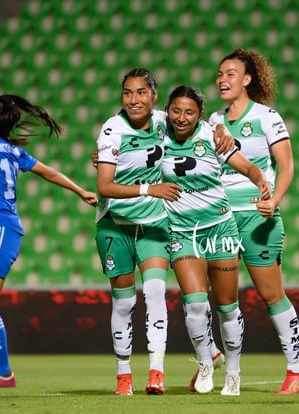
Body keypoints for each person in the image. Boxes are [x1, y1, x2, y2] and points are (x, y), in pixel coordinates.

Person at [94, 69, 233, 396]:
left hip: (154, 226)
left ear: (154, 96)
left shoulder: (163, 121)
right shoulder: (112, 129)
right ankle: (123, 375)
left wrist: (222, 127)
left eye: (141, 92)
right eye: (127, 93)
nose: (133, 100)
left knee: (156, 293)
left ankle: (156, 372)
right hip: (115, 227)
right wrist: (148, 188)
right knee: (124, 304)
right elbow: (103, 186)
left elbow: (199, 119)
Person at [201, 48, 299, 395]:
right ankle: (210, 362)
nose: (222, 79)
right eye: (220, 73)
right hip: (220, 221)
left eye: (231, 73)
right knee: (217, 296)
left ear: (247, 79)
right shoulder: (212, 122)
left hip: (256, 218)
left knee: (269, 293)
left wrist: (273, 201)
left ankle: (298, 369)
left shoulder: (267, 117)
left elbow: (286, 166)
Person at [0, 94, 98, 388]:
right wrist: (80, 190)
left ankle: (4, 374)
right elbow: (51, 172)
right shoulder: (9, 149)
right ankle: (3, 373)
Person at [163, 85, 270, 395]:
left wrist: (259, 178)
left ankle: (234, 371)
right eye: (176, 111)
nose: (181, 118)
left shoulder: (212, 136)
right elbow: (131, 129)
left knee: (227, 308)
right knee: (195, 305)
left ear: (200, 115)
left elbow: (246, 165)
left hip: (220, 230)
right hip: (183, 234)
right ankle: (205, 363)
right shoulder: (159, 134)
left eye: (189, 112)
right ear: (168, 111)